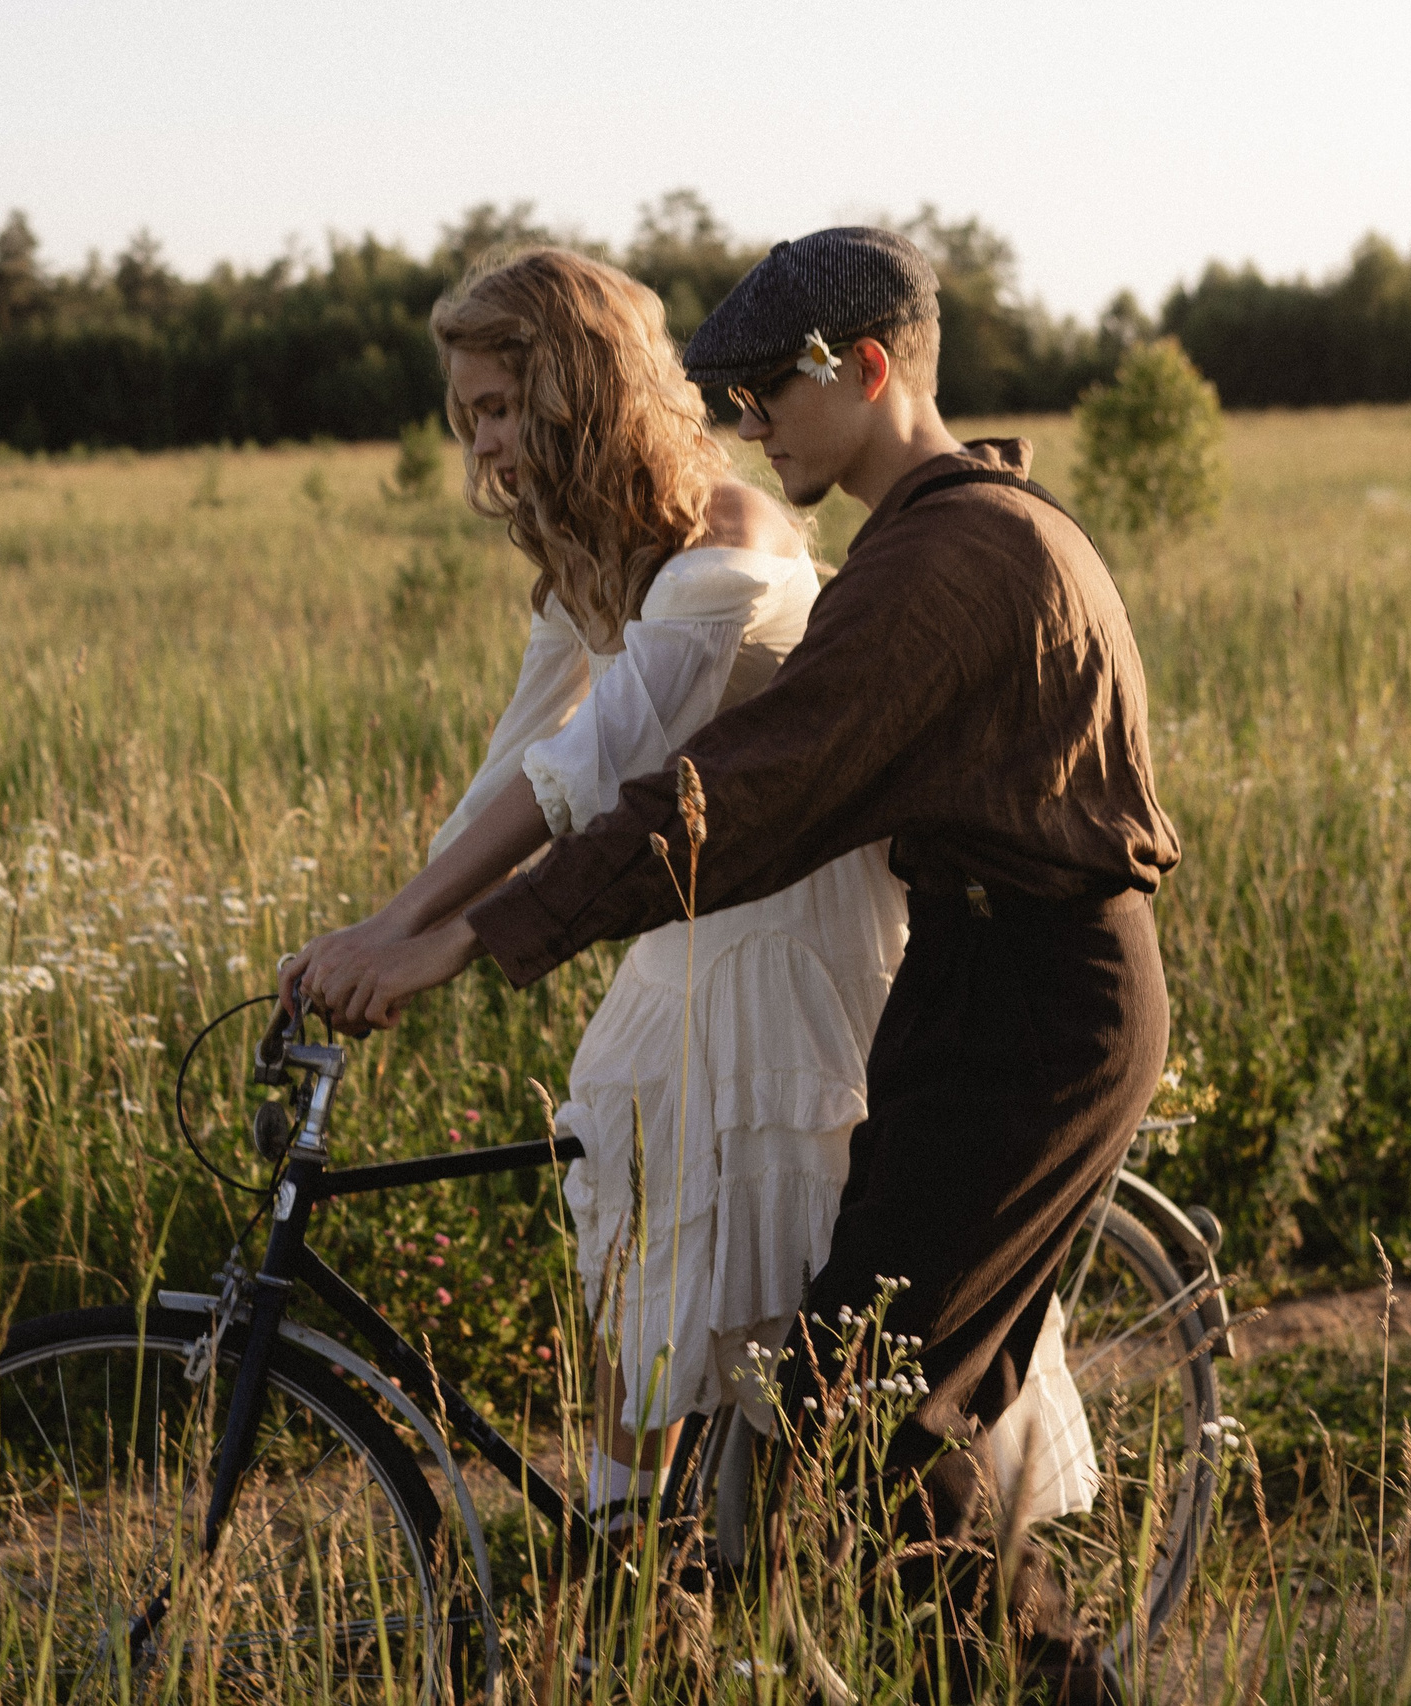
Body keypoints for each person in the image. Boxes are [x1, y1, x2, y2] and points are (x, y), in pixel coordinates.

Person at [300, 228, 1175, 1705]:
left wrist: (463, 935)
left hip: (1035, 1010)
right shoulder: (931, 537)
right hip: (970, 986)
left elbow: (734, 794)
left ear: (870, 369)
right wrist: (402, 920)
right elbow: (565, 762)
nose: (747, 421)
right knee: (855, 1415)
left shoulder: (953, 560)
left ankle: (1043, 1680)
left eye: (769, 390)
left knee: (868, 1427)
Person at [280, 246, 970, 1539]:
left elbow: (586, 771)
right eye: (470, 412)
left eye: (500, 406)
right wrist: (385, 925)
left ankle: (769, 1563)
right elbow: (515, 757)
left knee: (771, 1309)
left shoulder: (729, 544)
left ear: (576, 393)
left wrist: (417, 940)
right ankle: (632, 1567)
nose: (484, 439)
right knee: (640, 1266)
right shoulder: (607, 552)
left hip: (795, 946)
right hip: (692, 935)